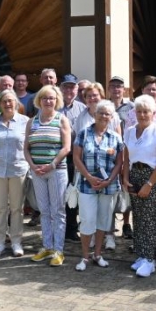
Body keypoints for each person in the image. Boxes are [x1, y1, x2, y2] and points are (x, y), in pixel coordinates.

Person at [23, 85, 72, 267]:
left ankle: (59, 251)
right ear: (39, 101)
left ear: (57, 100)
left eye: (51, 98)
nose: (48, 101)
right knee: (43, 210)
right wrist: (33, 165)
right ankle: (47, 247)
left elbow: (66, 147)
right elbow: (26, 149)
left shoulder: (61, 120)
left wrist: (51, 165)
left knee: (58, 211)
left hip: (57, 171)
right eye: (45, 98)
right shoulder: (32, 122)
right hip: (37, 172)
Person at [72, 100, 124, 271]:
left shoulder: (115, 137)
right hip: (87, 185)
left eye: (107, 113)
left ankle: (98, 254)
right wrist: (88, 176)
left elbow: (119, 162)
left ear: (111, 117)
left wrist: (109, 179)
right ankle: (85, 257)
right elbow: (76, 158)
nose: (103, 116)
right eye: (100, 112)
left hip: (108, 186)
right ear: (94, 115)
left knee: (103, 220)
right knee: (87, 220)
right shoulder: (83, 133)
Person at [124, 76, 156, 242]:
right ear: (142, 91)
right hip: (138, 167)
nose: (152, 92)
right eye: (148, 89)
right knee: (140, 209)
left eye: (154, 89)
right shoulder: (132, 114)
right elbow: (128, 145)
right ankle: (142, 244)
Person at [122, 95, 156, 278]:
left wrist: (149, 184)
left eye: (146, 111)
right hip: (135, 175)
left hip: (152, 177)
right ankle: (142, 255)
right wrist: (125, 179)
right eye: (139, 111)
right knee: (139, 218)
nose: (142, 114)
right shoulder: (129, 132)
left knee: (151, 219)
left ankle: (150, 259)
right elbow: (126, 159)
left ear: (153, 113)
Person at [0, 89, 30, 258]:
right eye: (4, 101)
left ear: (16, 103)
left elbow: (29, 147)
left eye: (11, 101)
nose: (8, 104)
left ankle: (16, 242)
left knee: (17, 208)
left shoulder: (25, 122)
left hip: (18, 169)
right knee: (0, 208)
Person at [59, 74, 86, 244]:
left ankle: (72, 230)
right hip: (59, 158)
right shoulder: (53, 106)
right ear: (61, 88)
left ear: (77, 89)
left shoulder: (83, 109)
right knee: (60, 195)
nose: (69, 90)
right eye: (66, 87)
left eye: (72, 87)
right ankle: (60, 230)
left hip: (77, 158)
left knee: (74, 195)